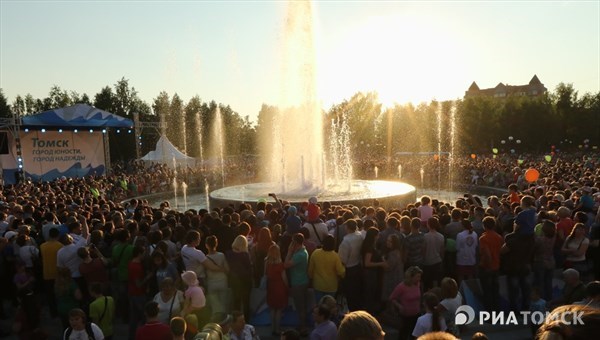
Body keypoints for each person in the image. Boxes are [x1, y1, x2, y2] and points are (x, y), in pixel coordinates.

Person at [284, 233, 310, 336]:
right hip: (301, 281)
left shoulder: (300, 255)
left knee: (300, 307)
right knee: (301, 306)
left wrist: (289, 252)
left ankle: (303, 328)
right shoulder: (302, 251)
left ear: (295, 242)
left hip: (298, 283)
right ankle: (302, 325)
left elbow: (286, 265)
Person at [308, 235, 345, 304]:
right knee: (329, 307)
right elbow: (340, 271)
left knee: (319, 305)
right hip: (331, 286)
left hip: (318, 285)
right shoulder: (335, 256)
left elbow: (310, 269)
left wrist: (310, 278)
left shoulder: (315, 253)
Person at [389, 266, 423, 340]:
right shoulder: (401, 287)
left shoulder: (418, 284)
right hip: (406, 316)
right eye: (417, 277)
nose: (419, 279)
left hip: (417, 314)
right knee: (404, 334)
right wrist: (398, 305)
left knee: (415, 335)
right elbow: (392, 298)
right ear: (411, 277)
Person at [337, 219, 364, 311]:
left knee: (350, 294)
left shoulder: (346, 241)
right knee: (357, 292)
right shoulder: (360, 236)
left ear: (347, 227)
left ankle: (352, 313)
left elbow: (342, 260)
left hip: (349, 269)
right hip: (358, 266)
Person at [226, 235, 252, 322]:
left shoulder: (229, 254)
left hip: (234, 281)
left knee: (236, 302)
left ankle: (235, 320)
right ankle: (246, 321)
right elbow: (249, 269)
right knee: (246, 303)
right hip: (245, 281)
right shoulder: (245, 255)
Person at [361, 227, 387, 314]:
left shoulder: (371, 245)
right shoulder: (369, 248)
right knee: (370, 292)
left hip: (371, 273)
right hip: (370, 273)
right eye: (378, 235)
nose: (379, 236)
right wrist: (381, 263)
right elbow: (367, 263)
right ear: (374, 236)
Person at [479, 216, 502, 312]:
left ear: (484, 226)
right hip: (496, 266)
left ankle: (489, 314)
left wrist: (487, 266)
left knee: (487, 291)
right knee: (495, 291)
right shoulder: (499, 237)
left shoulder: (483, 238)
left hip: (487, 267)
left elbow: (487, 254)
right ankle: (497, 311)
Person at [266, 244, 288, 336]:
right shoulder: (280, 265)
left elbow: (265, 274)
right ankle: (277, 329)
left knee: (272, 309)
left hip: (270, 287)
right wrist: (287, 287)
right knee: (278, 310)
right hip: (279, 287)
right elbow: (284, 278)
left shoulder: (267, 262)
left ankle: (272, 328)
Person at [204, 235, 229, 314]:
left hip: (211, 283)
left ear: (206, 245)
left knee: (214, 307)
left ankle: (216, 322)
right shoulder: (221, 255)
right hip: (222, 281)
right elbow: (227, 269)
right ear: (216, 244)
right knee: (223, 304)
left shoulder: (205, 258)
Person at [422, 217, 444, 290]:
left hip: (427, 261)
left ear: (428, 225)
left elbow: (424, 250)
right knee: (435, 279)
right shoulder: (441, 236)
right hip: (437, 260)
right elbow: (442, 250)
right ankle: (436, 294)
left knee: (427, 281)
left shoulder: (425, 236)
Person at [382, 233, 404, 299]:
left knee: (392, 297)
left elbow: (388, 267)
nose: (388, 243)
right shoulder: (398, 251)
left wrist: (382, 260)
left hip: (393, 279)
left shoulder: (393, 254)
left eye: (390, 241)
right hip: (397, 277)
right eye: (387, 240)